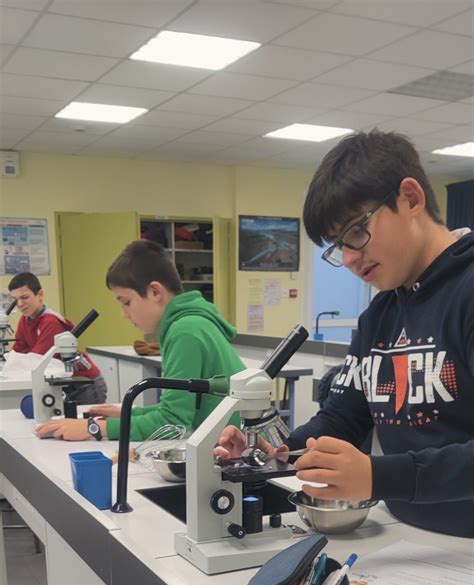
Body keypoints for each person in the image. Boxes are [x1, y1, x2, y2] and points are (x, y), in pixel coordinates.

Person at [216, 130, 474, 538]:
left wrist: (379, 476)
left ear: (410, 198)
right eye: (339, 246)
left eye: (356, 231)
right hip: (410, 536)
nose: (350, 258)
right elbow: (344, 419)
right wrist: (274, 452)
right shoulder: (380, 314)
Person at [36, 240, 245, 443]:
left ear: (155, 292)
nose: (124, 314)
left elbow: (172, 422)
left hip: (240, 450)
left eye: (126, 302)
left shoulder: (185, 331)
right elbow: (181, 408)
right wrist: (128, 413)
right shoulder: (189, 324)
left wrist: (94, 428)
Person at [8, 271, 107, 403]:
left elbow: (37, 360)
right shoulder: (25, 320)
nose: (20, 304)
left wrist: (15, 361)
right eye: (15, 300)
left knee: (85, 422)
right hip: (63, 383)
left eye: (24, 297)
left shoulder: (50, 321)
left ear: (40, 295)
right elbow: (18, 351)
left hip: (84, 384)